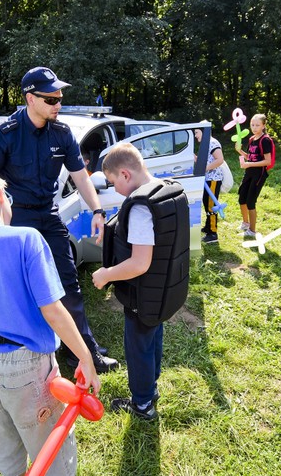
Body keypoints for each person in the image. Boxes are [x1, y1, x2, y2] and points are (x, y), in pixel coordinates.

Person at [0, 66, 118, 373]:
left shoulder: (62, 133)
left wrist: (97, 210)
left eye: (60, 98)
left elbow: (81, 177)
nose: (58, 104)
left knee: (67, 283)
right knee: (14, 289)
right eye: (51, 99)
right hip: (14, 217)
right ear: (30, 98)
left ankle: (83, 352)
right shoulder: (4, 135)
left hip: (48, 215)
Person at [0, 164, 100, 475]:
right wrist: (85, 356)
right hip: (27, 365)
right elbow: (52, 310)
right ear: (2, 196)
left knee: (7, 455)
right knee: (51, 453)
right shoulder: (27, 239)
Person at [92, 143, 190, 421]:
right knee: (152, 337)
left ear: (124, 174)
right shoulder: (166, 189)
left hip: (143, 293)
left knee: (138, 348)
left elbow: (139, 263)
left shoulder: (139, 208)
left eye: (112, 183)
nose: (114, 189)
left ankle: (143, 403)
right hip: (163, 289)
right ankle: (151, 387)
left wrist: (106, 275)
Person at [235, 113, 273, 237]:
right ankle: (245, 223)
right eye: (252, 125)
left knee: (251, 202)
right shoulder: (252, 139)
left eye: (257, 125)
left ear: (263, 126)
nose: (254, 127)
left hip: (259, 174)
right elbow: (250, 156)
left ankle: (252, 230)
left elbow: (267, 161)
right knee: (242, 198)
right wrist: (240, 151)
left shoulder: (265, 140)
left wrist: (249, 164)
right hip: (249, 172)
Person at [194, 127, 225, 244]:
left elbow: (220, 159)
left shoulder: (212, 142)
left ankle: (213, 233)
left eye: (197, 132)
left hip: (213, 179)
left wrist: (205, 169)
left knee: (211, 205)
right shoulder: (206, 144)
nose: (195, 135)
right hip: (207, 179)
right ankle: (208, 226)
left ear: (203, 131)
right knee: (206, 203)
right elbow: (207, 160)